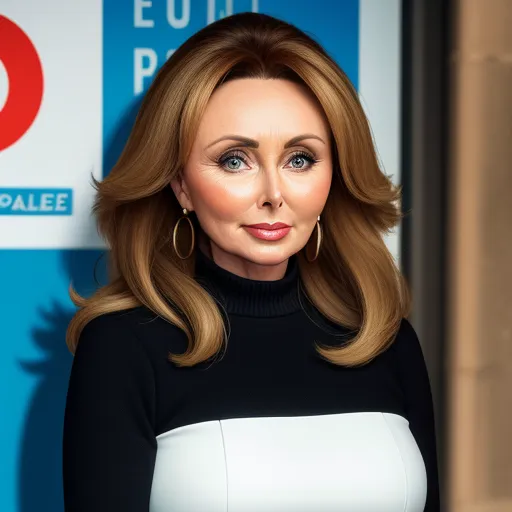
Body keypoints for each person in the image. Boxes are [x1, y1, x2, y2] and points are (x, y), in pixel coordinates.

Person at [62, 11, 440, 512]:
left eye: (299, 159)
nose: (273, 194)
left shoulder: (385, 339)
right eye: (234, 160)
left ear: (335, 173)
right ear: (180, 184)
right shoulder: (124, 348)